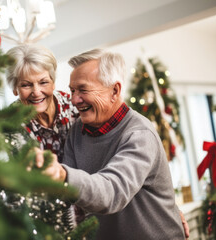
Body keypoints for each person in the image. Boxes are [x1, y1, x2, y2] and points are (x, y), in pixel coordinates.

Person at [35, 48, 189, 240]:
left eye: (83, 89)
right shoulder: (77, 131)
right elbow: (69, 196)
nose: (74, 99)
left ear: (114, 91)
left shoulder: (139, 134)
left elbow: (113, 191)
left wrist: (62, 175)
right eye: (72, 90)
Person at [6, 44, 79, 162]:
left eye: (43, 82)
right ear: (15, 89)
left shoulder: (74, 104)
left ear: (53, 82)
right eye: (26, 85)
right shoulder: (11, 123)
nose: (36, 92)